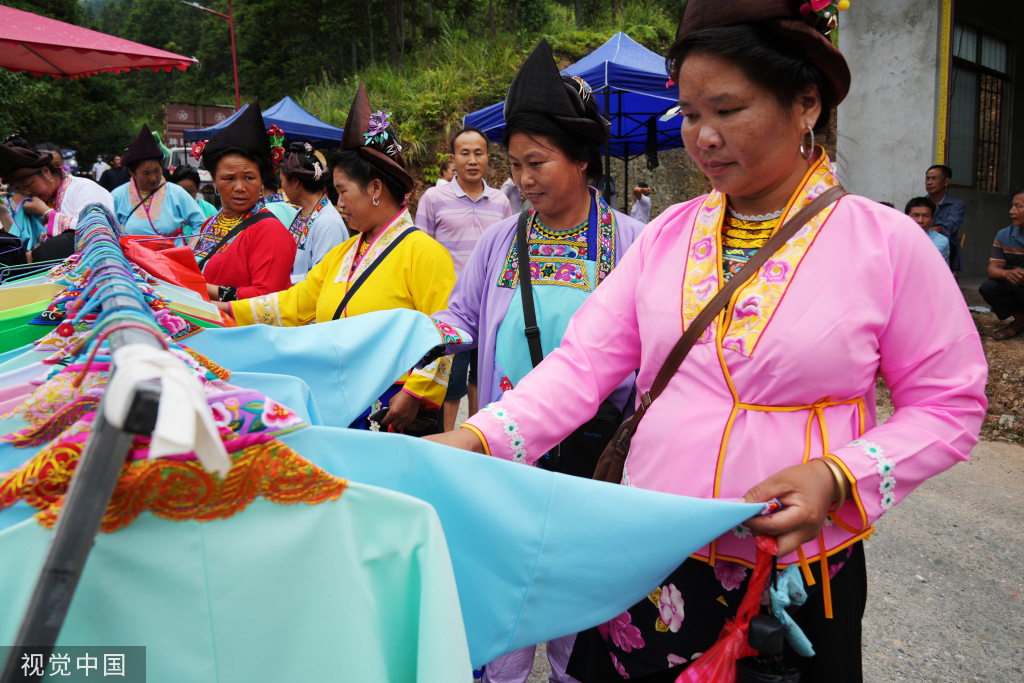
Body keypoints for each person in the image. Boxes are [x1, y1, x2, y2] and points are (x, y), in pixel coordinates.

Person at [427, 3, 987, 682]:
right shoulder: (667, 235)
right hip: (652, 557)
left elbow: (950, 403)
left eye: (727, 109)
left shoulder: (885, 244)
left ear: (805, 101)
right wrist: (479, 439)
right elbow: (580, 366)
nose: (703, 137)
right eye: (691, 114)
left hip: (794, 571)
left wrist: (839, 476)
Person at [429, 40, 646, 683]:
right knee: (506, 601)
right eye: (515, 164)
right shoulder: (501, 242)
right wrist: (417, 362)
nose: (522, 178)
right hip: (507, 449)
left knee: (587, 607)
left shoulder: (631, 244)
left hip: (597, 454)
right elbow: (458, 320)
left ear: (581, 159)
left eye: (537, 162)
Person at [217, 83, 456, 436]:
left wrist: (416, 393)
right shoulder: (344, 253)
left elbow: (444, 329)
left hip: (395, 408)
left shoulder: (424, 252)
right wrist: (223, 310)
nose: (338, 204)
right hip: (344, 400)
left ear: (375, 189)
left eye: (343, 192)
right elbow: (296, 303)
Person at [416, 126, 513, 431]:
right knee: (450, 382)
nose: (472, 160)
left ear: (488, 157)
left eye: (479, 153)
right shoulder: (434, 198)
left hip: (491, 308)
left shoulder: (501, 203)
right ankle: (448, 442)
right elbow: (421, 253)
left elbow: (507, 255)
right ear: (453, 158)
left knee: (482, 379)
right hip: (452, 310)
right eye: (465, 153)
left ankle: (478, 438)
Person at [193, 99, 296, 301]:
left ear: (262, 182)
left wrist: (203, 290)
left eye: (249, 178)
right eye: (229, 178)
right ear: (214, 180)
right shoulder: (211, 222)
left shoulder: (269, 230)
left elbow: (266, 297)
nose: (239, 187)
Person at [0, 142, 114, 263]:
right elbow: (19, 246)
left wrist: (46, 212)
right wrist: (3, 214)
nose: (25, 192)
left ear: (46, 171)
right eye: (18, 188)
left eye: (28, 184)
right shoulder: (31, 203)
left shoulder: (84, 188)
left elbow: (94, 230)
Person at [111, 124, 206, 246]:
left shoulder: (176, 192)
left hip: (173, 259)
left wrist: (191, 249)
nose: (153, 178)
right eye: (145, 173)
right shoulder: (118, 195)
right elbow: (106, 229)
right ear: (131, 172)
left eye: (157, 171)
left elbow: (200, 223)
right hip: (134, 261)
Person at [278, 141, 348, 282]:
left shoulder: (327, 223)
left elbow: (322, 278)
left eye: (282, 181)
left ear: (296, 182)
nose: (282, 187)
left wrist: (278, 281)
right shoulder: (302, 213)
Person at [979, 188, 1024, 340]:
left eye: (1018, 206)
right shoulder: (1004, 235)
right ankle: (1020, 321)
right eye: (1012, 206)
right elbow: (992, 270)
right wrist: (1006, 274)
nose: (1011, 211)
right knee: (988, 287)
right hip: (1019, 288)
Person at [926, 164, 966, 270]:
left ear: (946, 182)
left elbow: (951, 225)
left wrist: (930, 232)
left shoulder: (957, 205)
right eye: (927, 179)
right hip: (921, 242)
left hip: (947, 246)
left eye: (934, 178)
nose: (929, 182)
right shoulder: (919, 204)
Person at [904, 196, 949, 262]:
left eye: (926, 216)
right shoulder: (900, 237)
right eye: (916, 215)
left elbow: (924, 261)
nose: (920, 220)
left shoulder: (940, 240)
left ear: (932, 220)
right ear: (906, 218)